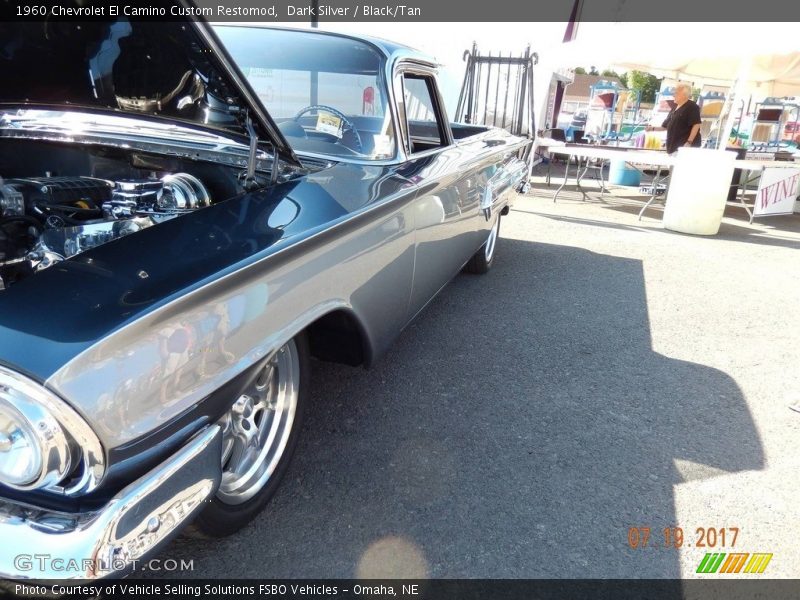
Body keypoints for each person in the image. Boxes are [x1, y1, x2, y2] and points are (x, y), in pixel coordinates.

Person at [647, 82, 702, 154]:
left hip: (685, 148)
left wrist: (689, 142)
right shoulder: (675, 107)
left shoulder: (692, 107)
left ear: (684, 95)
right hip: (673, 147)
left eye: (676, 93)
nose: (673, 95)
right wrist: (652, 129)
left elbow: (696, 124)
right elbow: (665, 126)